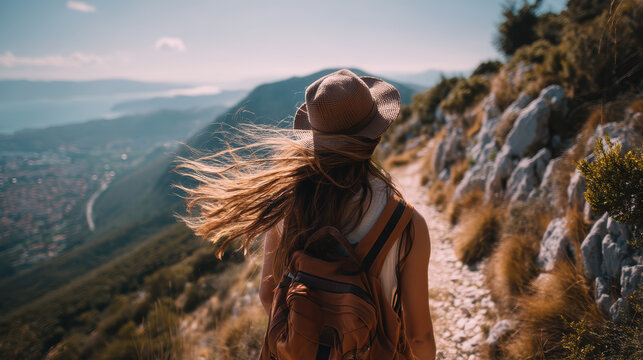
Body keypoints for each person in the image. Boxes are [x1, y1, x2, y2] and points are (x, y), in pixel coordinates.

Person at [175, 69, 436, 359]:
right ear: (375, 135)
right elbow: (419, 336)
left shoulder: (290, 204)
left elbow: (268, 293)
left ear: (316, 139)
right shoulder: (407, 223)